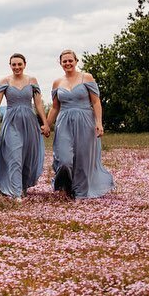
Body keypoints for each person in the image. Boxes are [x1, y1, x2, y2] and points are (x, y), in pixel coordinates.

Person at [42, 49, 114, 199]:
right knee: (64, 159)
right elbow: (55, 107)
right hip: (64, 122)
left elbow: (95, 101)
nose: (67, 63)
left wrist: (99, 123)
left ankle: (79, 193)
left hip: (85, 120)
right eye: (64, 61)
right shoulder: (57, 82)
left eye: (70, 60)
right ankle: (65, 186)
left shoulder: (86, 78)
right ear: (60, 63)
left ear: (76, 61)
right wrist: (47, 124)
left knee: (82, 158)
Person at [0, 53, 49, 200]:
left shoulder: (32, 81)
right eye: (14, 64)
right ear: (10, 65)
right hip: (12, 121)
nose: (17, 67)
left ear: (25, 64)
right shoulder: (4, 81)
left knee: (26, 156)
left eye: (19, 64)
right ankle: (16, 192)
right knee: (15, 155)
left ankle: (22, 186)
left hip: (29, 121)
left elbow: (38, 104)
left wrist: (45, 123)